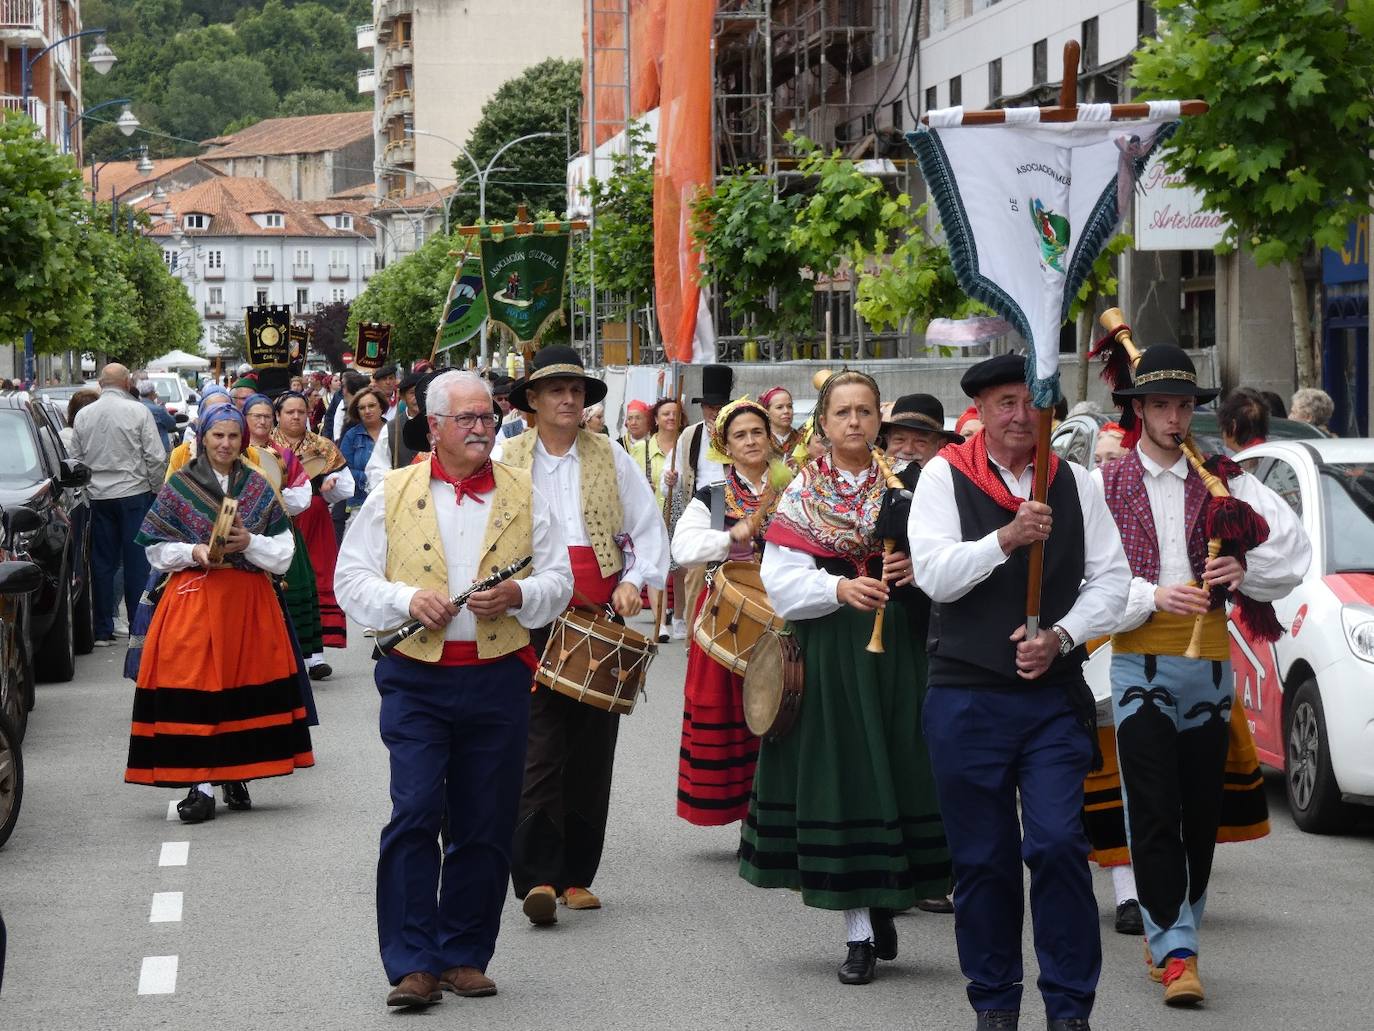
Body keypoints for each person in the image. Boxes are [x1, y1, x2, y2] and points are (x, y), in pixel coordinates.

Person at [335, 371, 572, 1010]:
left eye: (487, 419)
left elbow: (560, 581)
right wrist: (405, 598)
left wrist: (521, 594)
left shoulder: (525, 494)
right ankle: (413, 962)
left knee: (484, 819)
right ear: (433, 426)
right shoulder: (392, 491)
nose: (479, 429)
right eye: (465, 419)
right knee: (414, 811)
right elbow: (350, 580)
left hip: (499, 675)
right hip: (416, 676)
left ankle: (465, 953)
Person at [908, 353, 1130, 1031]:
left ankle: (1068, 1007)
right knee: (983, 859)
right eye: (1004, 404)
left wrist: (1061, 636)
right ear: (978, 410)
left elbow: (1113, 581)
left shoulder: (1077, 482)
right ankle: (996, 1000)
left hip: (1050, 697)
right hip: (965, 696)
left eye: (1029, 405)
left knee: (1060, 844)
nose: (1018, 418)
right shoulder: (944, 477)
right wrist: (1005, 538)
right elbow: (934, 575)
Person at [1096, 345, 1309, 1008]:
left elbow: (1291, 550)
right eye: (1160, 403)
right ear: (1139, 410)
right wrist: (1150, 598)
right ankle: (1178, 947)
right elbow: (1087, 581)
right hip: (1136, 663)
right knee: (1153, 809)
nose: (1173, 415)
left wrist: (1243, 572)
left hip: (1209, 664)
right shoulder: (1106, 483)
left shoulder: (1225, 481)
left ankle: (1170, 926)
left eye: (1184, 403)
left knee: (1199, 814)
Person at [741, 370, 950, 986]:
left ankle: (888, 896)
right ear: (824, 423)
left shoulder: (912, 485)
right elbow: (780, 581)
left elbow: (947, 568)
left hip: (903, 650)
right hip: (833, 647)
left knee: (901, 767)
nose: (854, 422)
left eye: (864, 411)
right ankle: (858, 929)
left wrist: (917, 568)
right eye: (843, 413)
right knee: (847, 778)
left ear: (878, 419)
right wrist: (838, 585)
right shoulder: (802, 491)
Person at [493, 346, 669, 927]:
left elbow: (647, 532)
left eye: (576, 391)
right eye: (555, 391)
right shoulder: (505, 458)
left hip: (599, 619)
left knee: (593, 746)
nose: (568, 399)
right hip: (528, 615)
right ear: (533, 402)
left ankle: (575, 878)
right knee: (538, 745)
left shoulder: (611, 456)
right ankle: (538, 874)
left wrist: (636, 583)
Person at [124, 405, 314, 823]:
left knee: (239, 685)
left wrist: (248, 542)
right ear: (203, 438)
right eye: (217, 437)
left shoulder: (259, 486)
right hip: (193, 597)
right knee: (196, 685)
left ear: (243, 440)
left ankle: (234, 773)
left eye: (233, 437)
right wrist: (193, 551)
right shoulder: (180, 485)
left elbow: (284, 554)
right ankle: (201, 785)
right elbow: (154, 548)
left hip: (248, 601)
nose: (225, 444)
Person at [671, 398, 784, 827]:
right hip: (729, 614)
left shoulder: (795, 485)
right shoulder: (713, 498)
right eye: (740, 435)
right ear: (725, 446)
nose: (751, 440)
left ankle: (780, 811)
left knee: (785, 710)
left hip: (787, 611)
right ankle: (743, 813)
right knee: (735, 715)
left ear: (769, 437)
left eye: (757, 431)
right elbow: (682, 549)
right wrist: (730, 538)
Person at [70, 364, 167, 647]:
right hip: (134, 493)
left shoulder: (84, 415)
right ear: (126, 383)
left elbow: (75, 458)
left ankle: (102, 629)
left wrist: (86, 489)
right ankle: (138, 627)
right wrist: (155, 488)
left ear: (101, 384)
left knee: (102, 564)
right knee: (137, 563)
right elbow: (155, 456)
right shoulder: (138, 411)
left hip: (98, 496)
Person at [243, 394, 330, 681]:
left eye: (267, 416)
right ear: (245, 419)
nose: (263, 421)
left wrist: (272, 500)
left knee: (296, 590)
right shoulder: (237, 455)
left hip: (281, 530)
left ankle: (308, 657)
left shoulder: (284, 455)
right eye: (257, 415)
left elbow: (303, 496)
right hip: (244, 536)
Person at [272, 392, 353, 660]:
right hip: (279, 521)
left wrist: (329, 488)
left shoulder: (323, 446)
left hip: (315, 520)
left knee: (319, 576)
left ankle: (316, 654)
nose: (296, 416)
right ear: (278, 415)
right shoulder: (268, 447)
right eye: (289, 412)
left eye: (301, 412)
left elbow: (347, 484)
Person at [672, 364, 734, 641]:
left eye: (719, 406)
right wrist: (670, 480)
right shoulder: (690, 435)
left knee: (730, 573)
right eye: (709, 406)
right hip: (702, 505)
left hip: (732, 506)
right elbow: (681, 472)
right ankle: (691, 640)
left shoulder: (736, 432)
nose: (714, 412)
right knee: (695, 575)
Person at [629, 397, 684, 642]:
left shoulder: (686, 445)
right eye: (666, 414)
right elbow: (629, 482)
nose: (671, 418)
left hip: (681, 513)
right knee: (655, 567)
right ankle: (661, 623)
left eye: (675, 414)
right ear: (657, 419)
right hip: (651, 515)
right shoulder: (641, 448)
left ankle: (680, 618)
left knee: (681, 569)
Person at [364, 370, 428, 491]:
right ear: (402, 397)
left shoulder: (442, 424)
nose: (419, 397)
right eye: (413, 393)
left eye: (424, 392)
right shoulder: (391, 428)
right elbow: (376, 468)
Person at [881, 393, 961, 474]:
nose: (908, 450)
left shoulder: (952, 484)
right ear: (888, 440)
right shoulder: (871, 482)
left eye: (920, 442)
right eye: (899, 440)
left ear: (940, 445)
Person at [339, 386, 389, 516]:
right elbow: (344, 470)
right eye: (362, 408)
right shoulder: (351, 436)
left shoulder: (395, 431)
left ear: (381, 407)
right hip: (361, 503)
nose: (367, 411)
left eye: (371, 405)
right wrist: (371, 478)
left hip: (392, 499)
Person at [1217, 386, 1269, 457]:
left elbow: (1250, 467)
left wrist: (1233, 446)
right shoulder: (1267, 449)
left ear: (1232, 426)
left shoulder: (1257, 452)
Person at [138, 380, 178, 455]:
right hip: (159, 450)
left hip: (141, 448)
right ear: (152, 393)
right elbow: (171, 424)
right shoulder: (158, 410)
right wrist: (162, 407)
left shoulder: (135, 407)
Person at [759, 386, 801, 459]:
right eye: (779, 407)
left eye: (789, 406)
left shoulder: (802, 440)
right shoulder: (761, 441)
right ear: (767, 411)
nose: (786, 411)